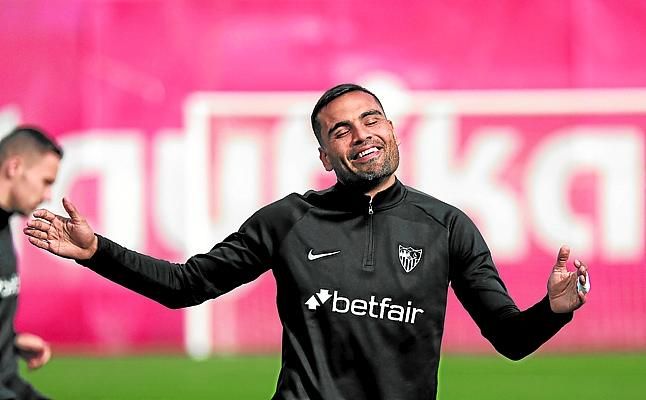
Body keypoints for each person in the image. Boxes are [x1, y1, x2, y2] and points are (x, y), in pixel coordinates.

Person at [23, 84, 589, 400]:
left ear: (392, 130)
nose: (361, 135)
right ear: (324, 155)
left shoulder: (447, 226)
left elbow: (510, 339)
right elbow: (186, 286)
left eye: (371, 120)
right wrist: (97, 252)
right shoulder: (289, 220)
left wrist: (554, 310)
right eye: (341, 130)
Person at [0, 125, 62, 400]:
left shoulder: (5, 225)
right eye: (46, 182)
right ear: (14, 167)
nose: (48, 195)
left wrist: (10, 342)